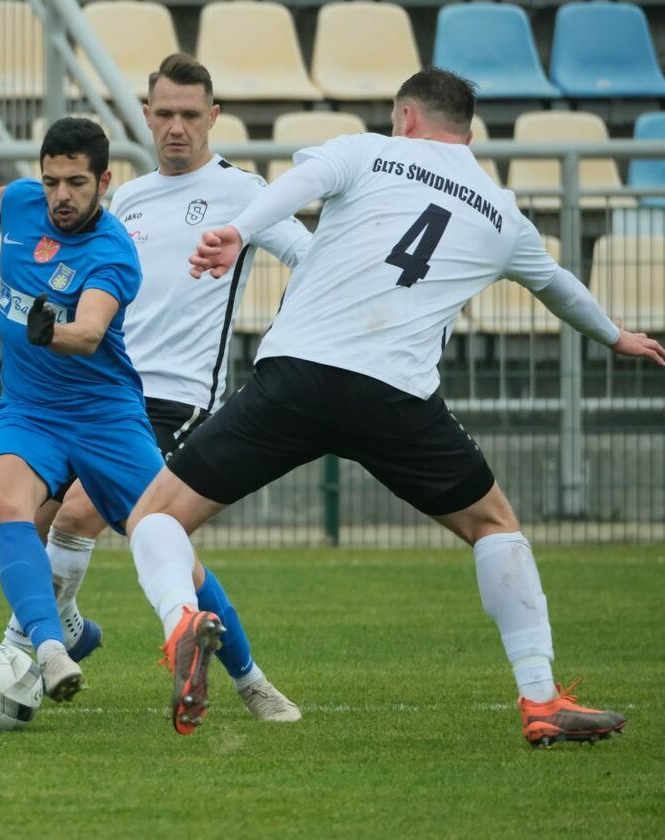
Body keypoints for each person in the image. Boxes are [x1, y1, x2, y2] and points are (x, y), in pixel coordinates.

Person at [133, 67, 665, 744]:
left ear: (405, 116)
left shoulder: (363, 149)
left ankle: (182, 620)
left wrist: (238, 231)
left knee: (159, 516)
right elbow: (560, 287)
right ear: (466, 132)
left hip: (297, 377)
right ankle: (539, 698)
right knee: (494, 523)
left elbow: (298, 186)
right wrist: (617, 336)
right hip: (395, 395)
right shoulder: (500, 212)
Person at [0, 118, 272, 736]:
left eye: (77, 183)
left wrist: (49, 333)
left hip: (105, 417)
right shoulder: (29, 199)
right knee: (6, 501)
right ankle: (51, 647)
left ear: (104, 182)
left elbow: (88, 333)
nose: (61, 194)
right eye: (53, 179)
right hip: (29, 412)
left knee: (165, 541)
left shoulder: (112, 250)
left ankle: (250, 679)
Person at [1, 54, 307, 723]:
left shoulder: (245, 192)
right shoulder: (127, 200)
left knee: (88, 514)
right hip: (102, 392)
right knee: (49, 515)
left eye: (190, 115)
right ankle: (239, 675)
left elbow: (308, 260)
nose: (176, 127)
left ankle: (17, 663)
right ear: (145, 116)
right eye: (164, 113)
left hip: (179, 395)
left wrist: (289, 342)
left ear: (213, 118)